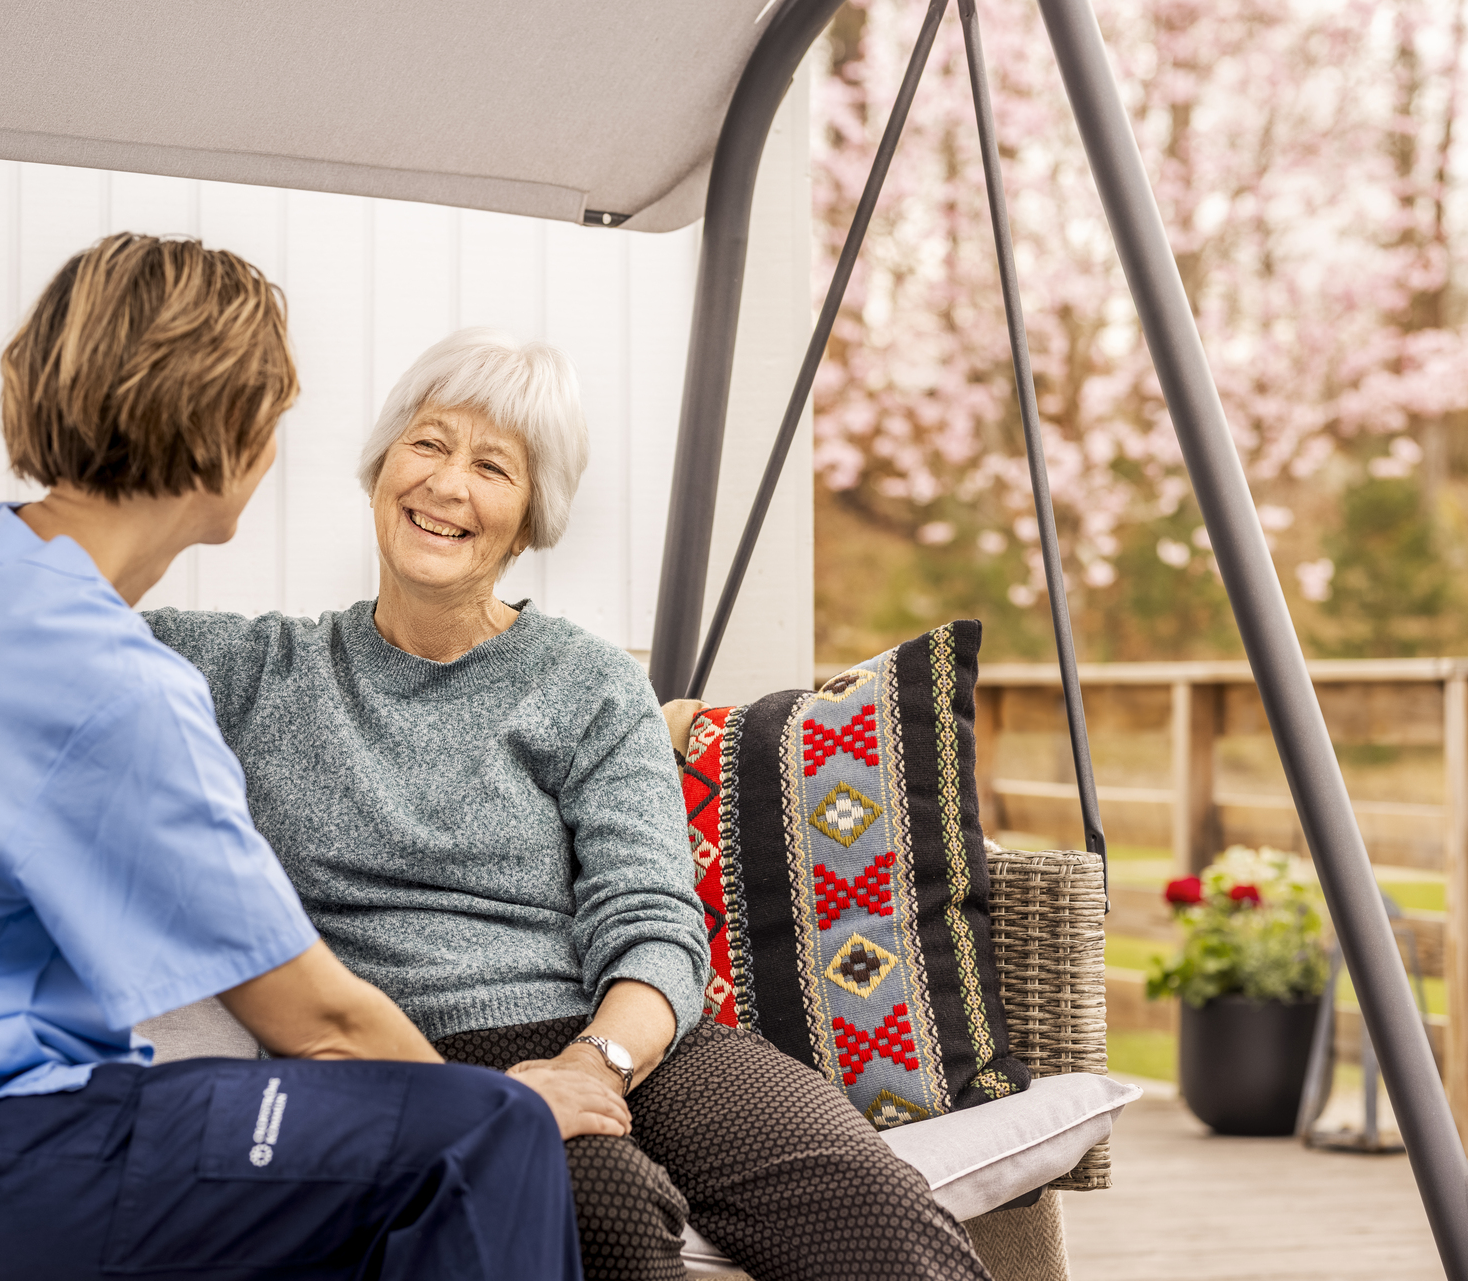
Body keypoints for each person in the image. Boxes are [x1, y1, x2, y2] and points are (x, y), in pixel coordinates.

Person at [0, 237, 585, 1281]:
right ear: (228, 435)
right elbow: (323, 1023)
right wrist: (497, 1104)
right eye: (276, 415)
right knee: (483, 1140)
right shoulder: (111, 686)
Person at [141, 328, 996, 1281]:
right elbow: (45, 609)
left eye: (493, 467)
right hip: (411, 1052)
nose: (448, 485)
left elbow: (653, 916)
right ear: (381, 465)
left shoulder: (586, 682)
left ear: (528, 518)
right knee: (601, 1207)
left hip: (623, 1031)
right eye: (427, 444)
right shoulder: (257, 670)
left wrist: (597, 1060)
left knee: (867, 1202)